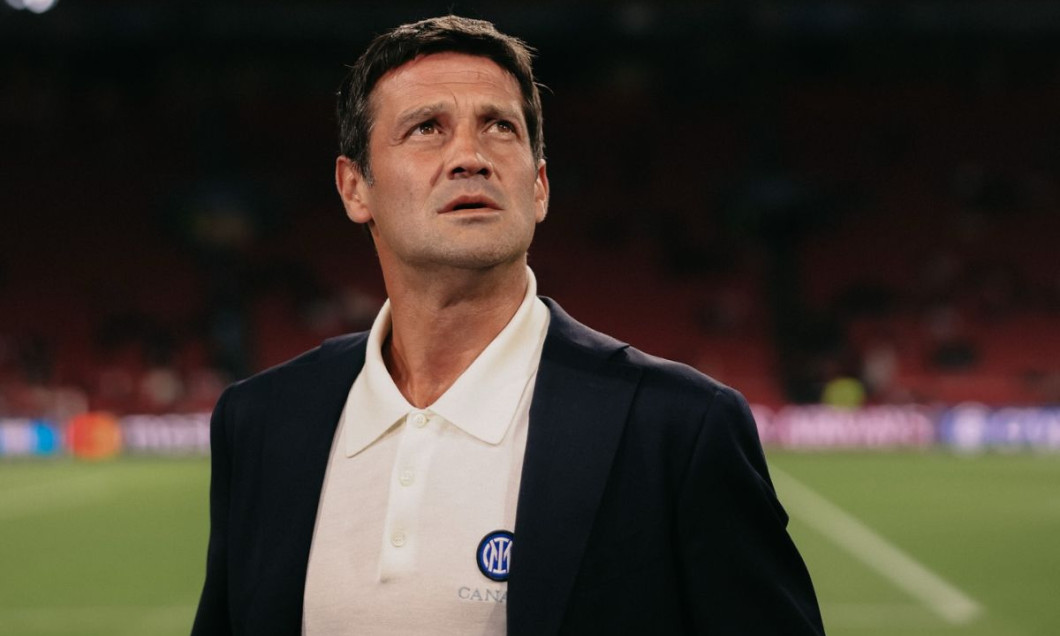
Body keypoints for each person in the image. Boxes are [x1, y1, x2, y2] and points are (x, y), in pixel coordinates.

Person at [191, 15, 825, 636]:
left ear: (539, 186)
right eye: (426, 128)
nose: (470, 157)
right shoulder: (262, 422)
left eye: (500, 128)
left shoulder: (678, 427)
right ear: (355, 187)